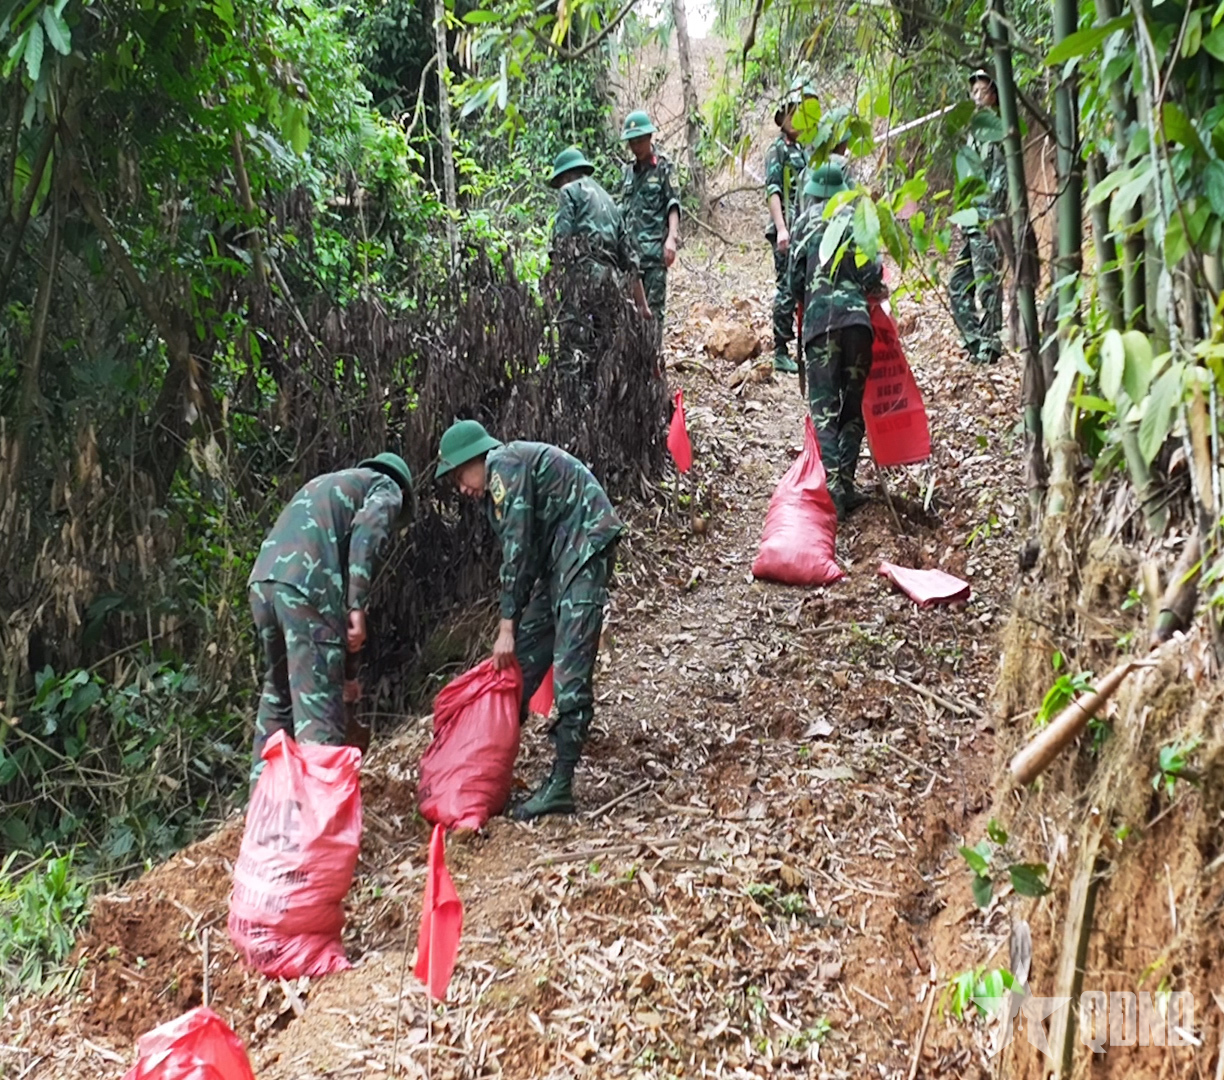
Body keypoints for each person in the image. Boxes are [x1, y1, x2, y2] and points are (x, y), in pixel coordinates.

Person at [436, 419, 623, 821]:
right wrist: (516, 627)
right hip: (557, 559)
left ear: (475, 457)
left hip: (584, 545)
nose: (460, 487)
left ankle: (561, 783)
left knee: (570, 669)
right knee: (519, 661)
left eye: (458, 474)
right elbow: (527, 553)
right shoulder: (496, 488)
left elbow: (517, 552)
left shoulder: (503, 466)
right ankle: (493, 759)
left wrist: (506, 624)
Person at [246, 452, 414, 785]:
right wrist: (356, 605)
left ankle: (260, 814)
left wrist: (349, 676)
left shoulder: (330, 488)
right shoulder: (387, 487)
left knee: (280, 695)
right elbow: (368, 533)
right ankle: (318, 820)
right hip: (306, 590)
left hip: (264, 584)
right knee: (318, 718)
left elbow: (335, 633)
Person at [788, 163, 886, 519]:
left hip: (820, 327)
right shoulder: (859, 216)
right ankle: (844, 482)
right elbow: (874, 276)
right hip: (858, 324)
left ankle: (832, 493)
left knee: (825, 411)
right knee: (852, 408)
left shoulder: (804, 221)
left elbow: (793, 281)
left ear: (813, 191)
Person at [549, 145, 651, 367]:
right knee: (605, 347)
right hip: (611, 283)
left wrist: (556, 283)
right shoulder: (609, 201)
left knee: (573, 346)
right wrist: (642, 305)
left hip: (583, 278)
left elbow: (561, 244)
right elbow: (630, 260)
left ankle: (573, 395)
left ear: (565, 175)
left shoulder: (569, 191)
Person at [949, 67, 1007, 365]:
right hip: (971, 221)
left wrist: (986, 217)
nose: (976, 96)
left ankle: (991, 343)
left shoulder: (998, 131)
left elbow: (1000, 180)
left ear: (994, 94)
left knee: (986, 284)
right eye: (973, 91)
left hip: (987, 220)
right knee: (957, 284)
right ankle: (974, 339)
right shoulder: (975, 133)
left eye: (981, 90)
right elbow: (967, 178)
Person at [618, 110, 682, 336]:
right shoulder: (627, 172)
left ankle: (653, 363)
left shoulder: (663, 167)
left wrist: (671, 239)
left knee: (653, 313)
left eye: (640, 140)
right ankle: (635, 365)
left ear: (649, 138)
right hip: (630, 257)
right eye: (631, 142)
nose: (636, 146)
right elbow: (623, 211)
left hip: (654, 253)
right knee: (629, 314)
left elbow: (673, 204)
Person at [764, 88, 810, 374]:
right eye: (791, 114)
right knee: (786, 286)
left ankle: (801, 347)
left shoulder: (803, 150)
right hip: (785, 228)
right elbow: (773, 190)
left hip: (803, 227)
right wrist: (782, 228)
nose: (796, 120)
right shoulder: (777, 149)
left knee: (802, 286)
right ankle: (780, 349)